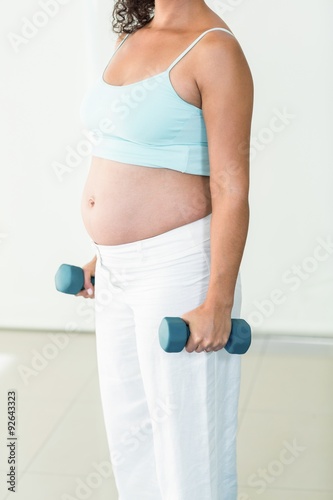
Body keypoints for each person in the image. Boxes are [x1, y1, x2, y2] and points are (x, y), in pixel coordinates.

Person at [78, 0, 253, 498]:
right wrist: (102, 250)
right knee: (131, 436)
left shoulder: (214, 50)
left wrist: (218, 301)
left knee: (189, 450)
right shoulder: (130, 36)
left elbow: (232, 186)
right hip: (116, 270)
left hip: (180, 268)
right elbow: (117, 150)